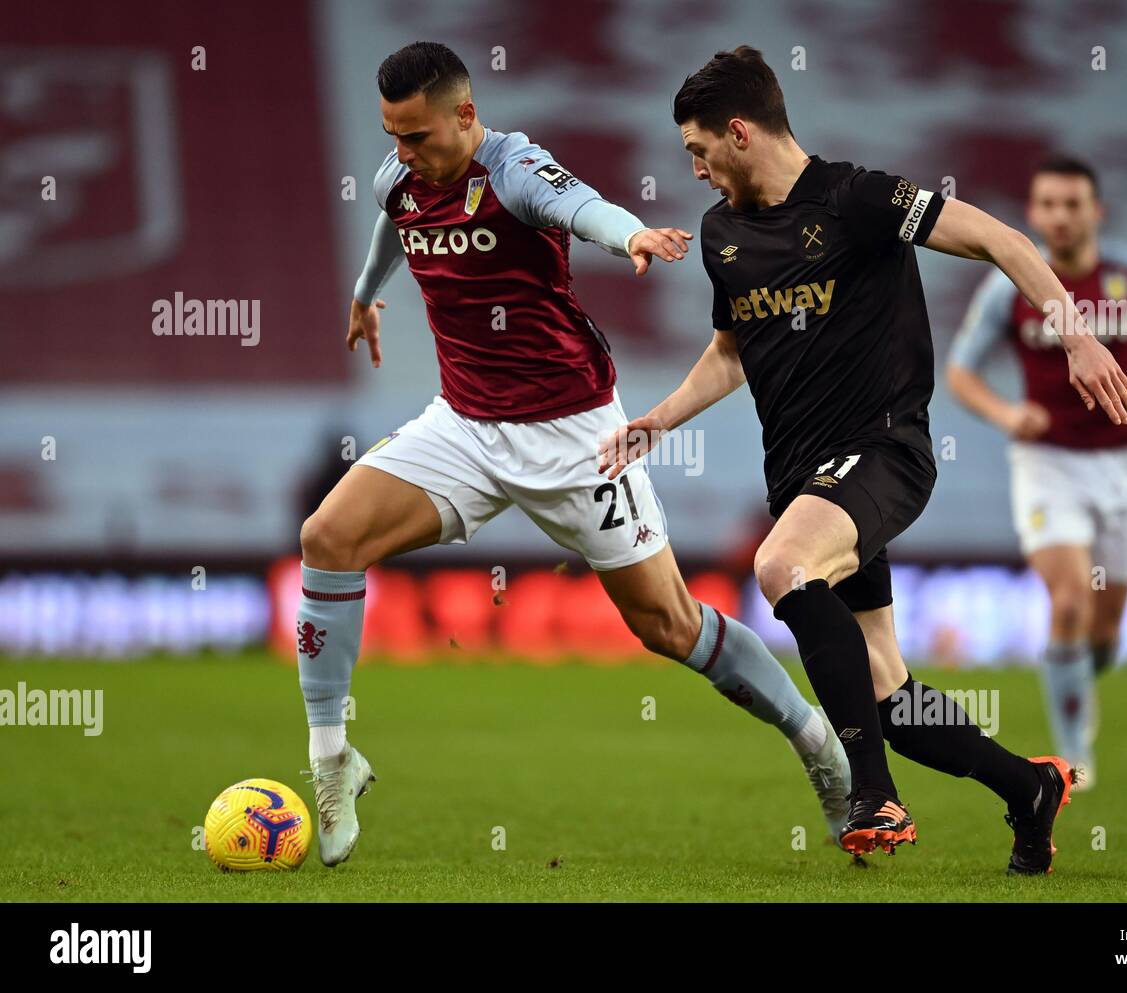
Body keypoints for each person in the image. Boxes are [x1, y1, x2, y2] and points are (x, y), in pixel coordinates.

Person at [295, 42, 851, 867]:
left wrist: (629, 236)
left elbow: (581, 206)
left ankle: (818, 745)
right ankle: (333, 761)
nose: (403, 154)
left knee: (669, 624)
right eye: (392, 136)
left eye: (417, 136)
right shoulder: (400, 178)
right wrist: (366, 293)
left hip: (574, 435)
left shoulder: (512, 168)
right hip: (465, 426)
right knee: (326, 539)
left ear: (466, 116)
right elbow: (389, 221)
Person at [600, 46, 1127, 873]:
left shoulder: (860, 199)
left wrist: (1074, 333)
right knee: (884, 686)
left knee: (781, 563)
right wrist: (659, 421)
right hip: (805, 477)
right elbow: (731, 350)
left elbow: (999, 238)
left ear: (739, 133)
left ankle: (874, 796)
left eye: (698, 150)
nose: (696, 169)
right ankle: (1028, 786)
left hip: (885, 451)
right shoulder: (723, 235)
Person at [947, 156, 1127, 787]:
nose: (1060, 217)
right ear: (1033, 214)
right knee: (1068, 600)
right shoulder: (1012, 283)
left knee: (1106, 627)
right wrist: (1007, 414)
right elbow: (959, 371)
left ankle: (1076, 686)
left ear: (1097, 212)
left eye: (1073, 204)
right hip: (1049, 464)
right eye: (1048, 205)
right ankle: (1073, 754)